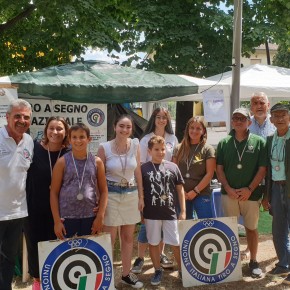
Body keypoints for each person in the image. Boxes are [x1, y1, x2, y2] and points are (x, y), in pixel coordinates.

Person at [216, 107, 267, 278]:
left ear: (249, 122)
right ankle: (231, 262)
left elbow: (262, 169)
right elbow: (219, 169)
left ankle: (253, 261)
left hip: (251, 195)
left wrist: (249, 189)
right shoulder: (224, 143)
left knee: (251, 229)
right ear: (232, 121)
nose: (238, 121)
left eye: (242, 119)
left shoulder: (259, 142)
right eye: (235, 118)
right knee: (229, 229)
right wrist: (229, 189)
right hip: (228, 194)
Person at [97, 115, 144, 289]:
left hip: (131, 194)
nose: (125, 130)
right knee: (110, 238)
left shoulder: (135, 145)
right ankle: (106, 277)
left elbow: (137, 171)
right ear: (115, 127)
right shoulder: (104, 147)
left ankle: (126, 274)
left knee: (127, 238)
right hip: (111, 195)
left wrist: (141, 196)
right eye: (121, 126)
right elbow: (98, 176)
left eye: (128, 127)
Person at [23, 116, 70, 290]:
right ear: (46, 130)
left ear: (65, 132)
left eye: (59, 129)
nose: (55, 132)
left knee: (59, 248)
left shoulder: (69, 153)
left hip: (61, 211)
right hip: (35, 208)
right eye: (51, 128)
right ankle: (38, 282)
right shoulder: (34, 148)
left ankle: (58, 283)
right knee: (35, 247)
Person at [132, 107, 178, 274]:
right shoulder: (146, 139)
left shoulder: (173, 138)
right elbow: (141, 165)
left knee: (163, 221)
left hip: (166, 187)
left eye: (164, 117)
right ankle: (140, 257)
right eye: (158, 117)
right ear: (154, 119)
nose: (161, 120)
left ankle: (161, 253)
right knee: (147, 225)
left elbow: (173, 162)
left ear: (168, 120)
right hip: (150, 185)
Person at [50, 123, 108, 240]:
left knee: (88, 254)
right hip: (67, 217)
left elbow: (104, 191)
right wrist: (57, 221)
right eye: (74, 137)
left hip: (90, 216)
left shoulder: (97, 162)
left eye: (82, 137)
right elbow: (54, 192)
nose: (78, 140)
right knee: (69, 255)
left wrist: (100, 216)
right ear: (69, 140)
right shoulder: (62, 162)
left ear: (89, 139)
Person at [142, 136, 186, 285]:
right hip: (151, 213)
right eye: (156, 149)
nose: (160, 152)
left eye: (162, 149)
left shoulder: (173, 167)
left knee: (175, 241)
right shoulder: (143, 168)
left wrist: (183, 210)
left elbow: (180, 190)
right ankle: (157, 269)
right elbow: (140, 192)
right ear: (149, 151)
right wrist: (141, 212)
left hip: (170, 212)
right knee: (153, 242)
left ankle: (181, 269)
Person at [0, 99, 33, 290]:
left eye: (26, 117)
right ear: (7, 117)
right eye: (17, 116)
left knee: (9, 259)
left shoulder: (29, 141)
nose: (22, 120)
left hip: (17, 212)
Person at [262, 103, 290, 284]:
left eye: (283, 115)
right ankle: (283, 264)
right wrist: (266, 195)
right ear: (271, 120)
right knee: (278, 229)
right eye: (276, 116)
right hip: (276, 189)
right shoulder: (270, 140)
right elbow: (268, 171)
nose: (279, 119)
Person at [173, 117, 216, 219]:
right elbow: (174, 173)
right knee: (184, 227)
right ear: (188, 129)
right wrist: (182, 192)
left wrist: (195, 191)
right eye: (192, 128)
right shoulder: (178, 148)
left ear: (203, 131)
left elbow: (210, 174)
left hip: (201, 193)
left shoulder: (208, 149)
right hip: (182, 194)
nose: (194, 131)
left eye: (198, 128)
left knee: (206, 224)